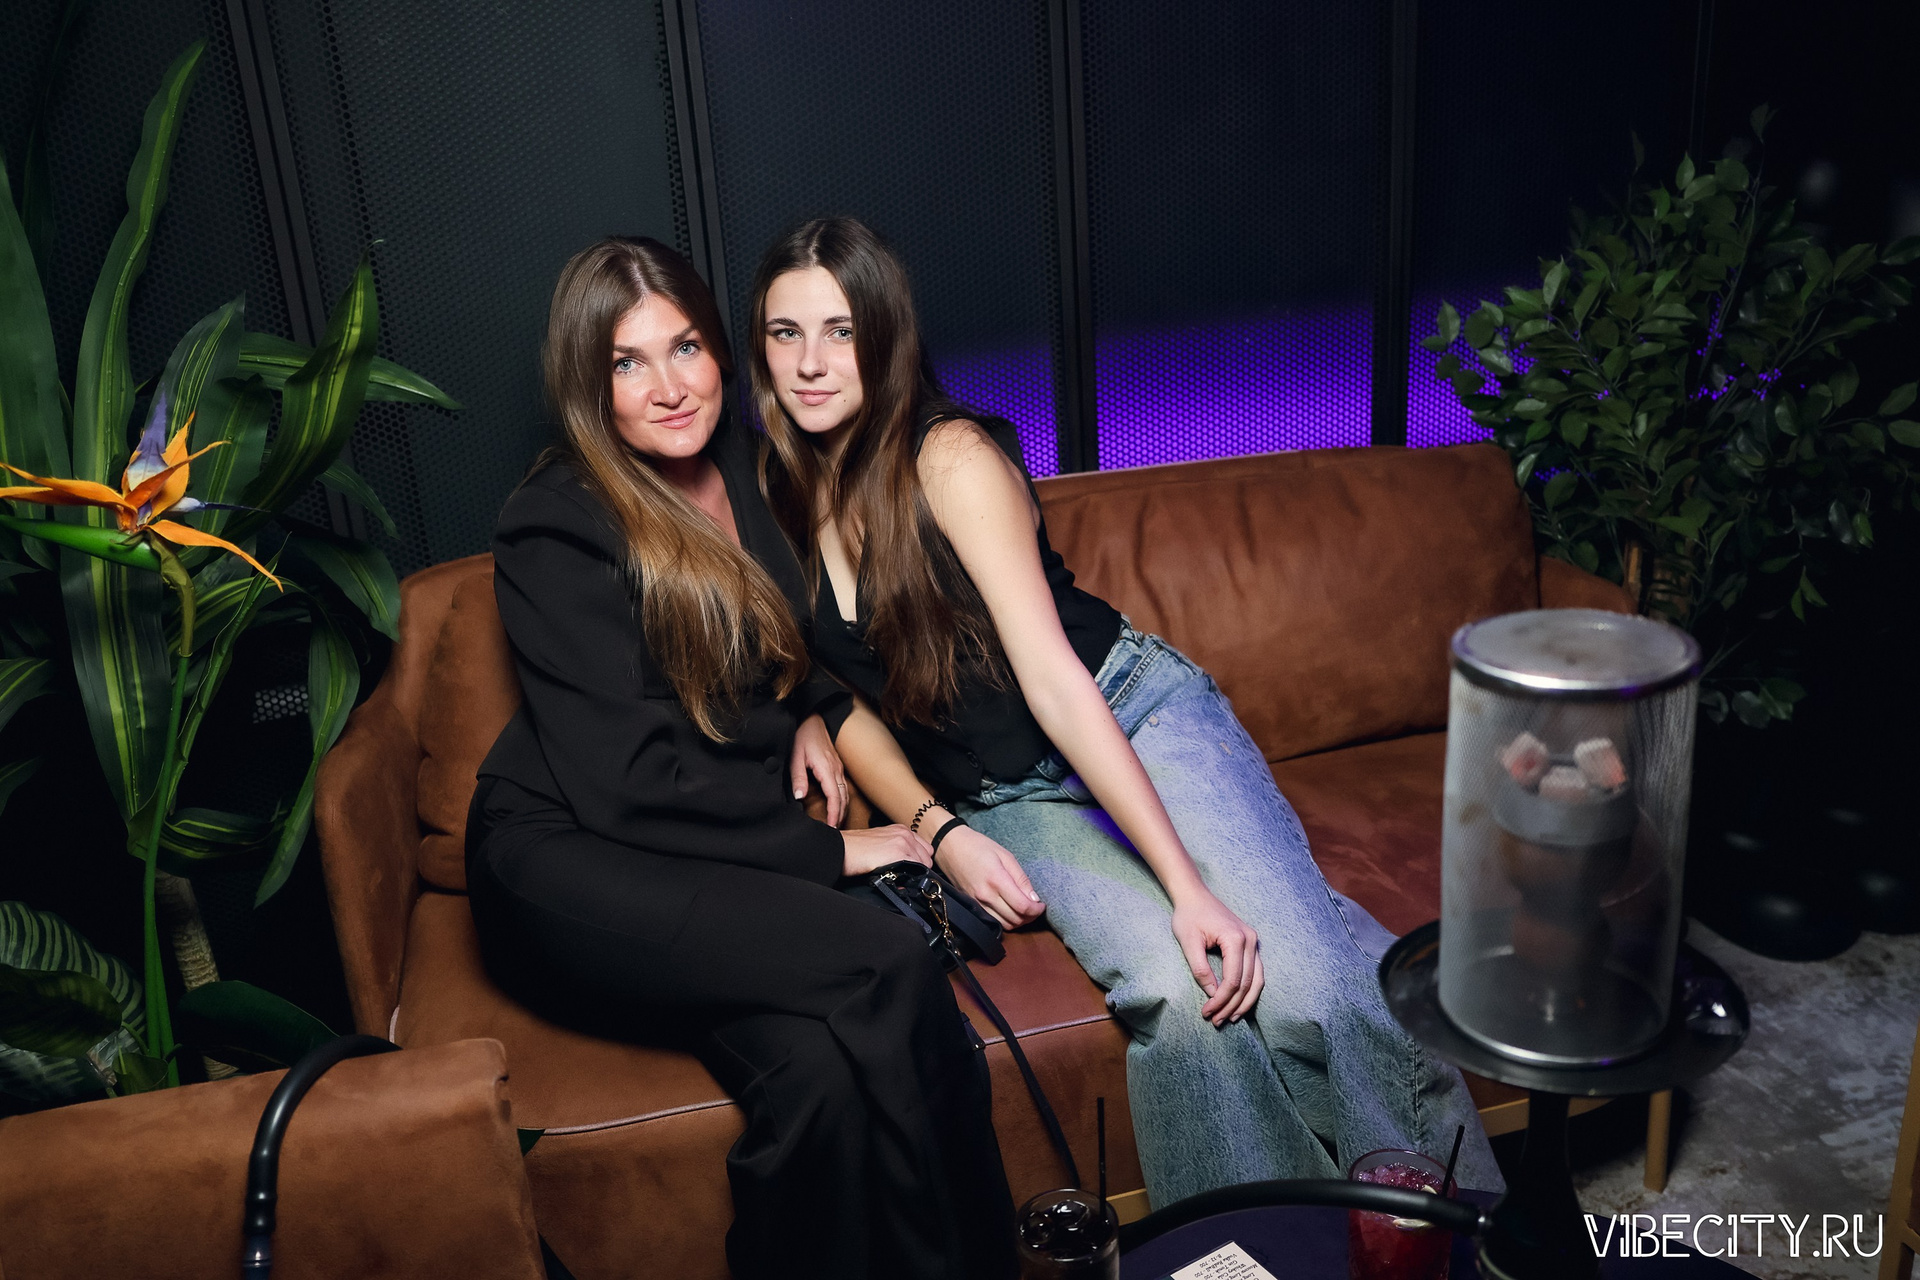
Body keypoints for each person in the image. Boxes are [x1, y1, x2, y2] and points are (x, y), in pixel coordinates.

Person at [747, 216, 1504, 1205]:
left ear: (885, 337)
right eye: (786, 332)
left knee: (1309, 986)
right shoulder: (774, 489)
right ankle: (1255, 1255)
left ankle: (1444, 1236)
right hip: (1005, 800)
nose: (810, 363)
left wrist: (1187, 886)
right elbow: (841, 691)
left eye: (840, 331)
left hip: (1127, 711)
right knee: (1185, 1006)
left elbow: (1054, 680)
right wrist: (929, 823)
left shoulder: (949, 458)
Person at [465, 235, 1016, 1280]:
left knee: (816, 1076)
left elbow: (775, 645)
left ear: (721, 350)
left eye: (685, 347)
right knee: (890, 963)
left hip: (688, 842)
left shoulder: (748, 472)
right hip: (567, 857)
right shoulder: (554, 523)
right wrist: (834, 854)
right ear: (589, 384)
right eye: (628, 362)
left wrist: (805, 706)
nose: (670, 387)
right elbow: (628, 783)